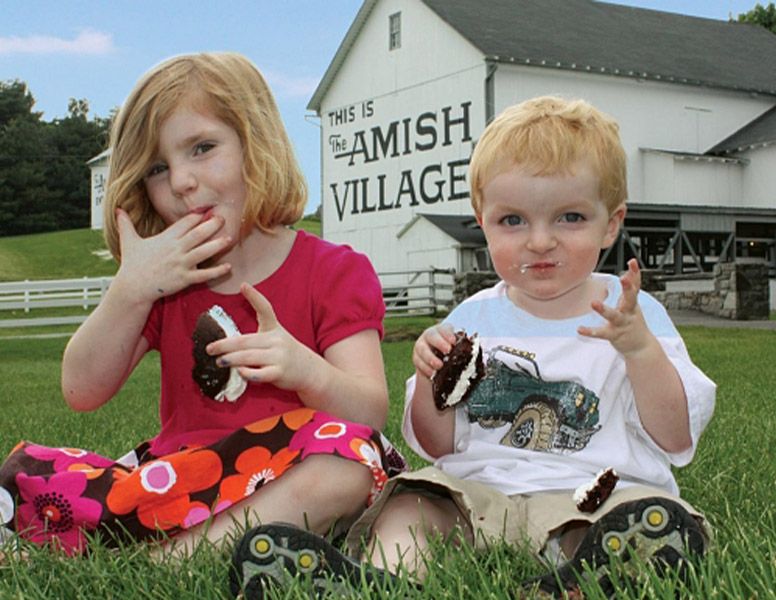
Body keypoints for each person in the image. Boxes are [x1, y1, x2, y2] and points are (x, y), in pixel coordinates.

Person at [230, 96, 716, 598]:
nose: (541, 240)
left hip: (593, 492)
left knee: (632, 523)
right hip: (479, 493)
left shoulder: (631, 313)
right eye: (513, 221)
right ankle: (380, 582)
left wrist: (638, 351)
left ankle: (581, 580)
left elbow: (673, 435)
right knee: (409, 506)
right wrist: (430, 381)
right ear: (482, 221)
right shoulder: (471, 320)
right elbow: (437, 443)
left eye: (570, 217)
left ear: (610, 223)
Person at [0, 52, 405, 559]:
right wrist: (131, 289)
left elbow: (369, 414)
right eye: (158, 168)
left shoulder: (333, 270)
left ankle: (170, 560)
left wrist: (306, 370)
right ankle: (198, 541)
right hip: (185, 479)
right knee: (30, 475)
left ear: (256, 145)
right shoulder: (166, 283)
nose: (181, 182)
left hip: (296, 472)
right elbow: (82, 389)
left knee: (348, 464)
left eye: (202, 148)